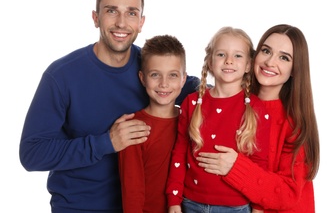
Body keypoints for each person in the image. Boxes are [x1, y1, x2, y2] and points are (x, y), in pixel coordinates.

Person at [19, 0, 199, 213]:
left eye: (131, 13)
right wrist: (106, 142)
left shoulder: (152, 69)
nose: (122, 23)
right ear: (96, 17)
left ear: (141, 22)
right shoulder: (62, 76)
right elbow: (32, 153)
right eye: (112, 10)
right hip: (80, 207)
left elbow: (203, 90)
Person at [196, 24, 320, 212]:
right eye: (266, 51)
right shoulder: (230, 102)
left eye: (284, 57)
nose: (270, 62)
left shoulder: (294, 122)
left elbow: (289, 193)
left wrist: (235, 167)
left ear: (295, 69)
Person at [166, 26, 270, 213]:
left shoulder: (256, 109)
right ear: (210, 62)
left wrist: (259, 208)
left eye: (238, 56)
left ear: (248, 65)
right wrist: (174, 199)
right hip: (191, 202)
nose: (229, 61)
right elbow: (179, 153)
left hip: (236, 206)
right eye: (221, 54)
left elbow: (260, 163)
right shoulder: (192, 102)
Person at [118, 34, 187, 213]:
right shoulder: (134, 128)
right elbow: (132, 192)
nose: (164, 84)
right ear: (142, 78)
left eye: (172, 75)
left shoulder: (191, 120)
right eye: (155, 75)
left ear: (183, 79)